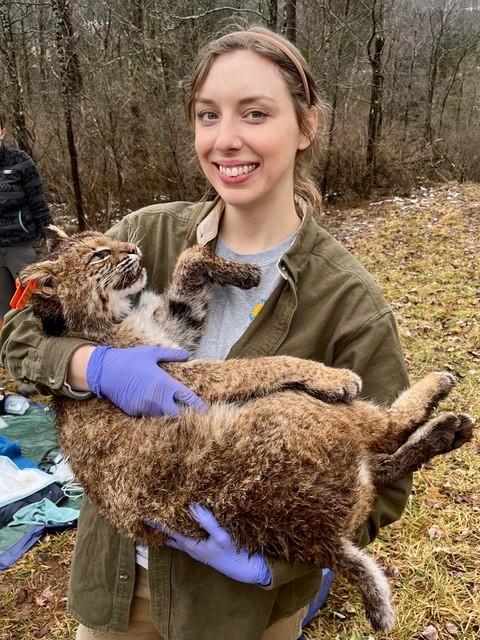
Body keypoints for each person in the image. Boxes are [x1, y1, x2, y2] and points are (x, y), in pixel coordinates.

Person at [0, 27, 412, 640]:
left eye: (255, 113)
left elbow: (385, 478)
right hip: (117, 586)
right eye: (208, 115)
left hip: (238, 611)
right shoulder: (143, 240)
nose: (226, 139)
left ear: (306, 127)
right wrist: (93, 365)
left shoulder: (347, 304)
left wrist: (271, 562)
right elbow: (20, 340)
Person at [0, 107, 52, 323]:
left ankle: (45, 351)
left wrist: (51, 237)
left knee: (38, 303)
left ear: (2, 132)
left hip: (22, 247)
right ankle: (9, 352)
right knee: (5, 311)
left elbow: (38, 204)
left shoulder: (20, 162)